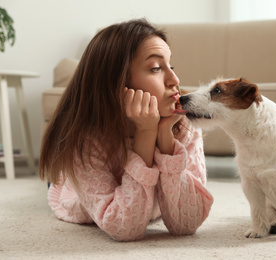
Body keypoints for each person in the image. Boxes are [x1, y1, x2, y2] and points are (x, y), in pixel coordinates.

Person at [39, 19, 214, 242]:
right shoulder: (87, 139)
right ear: (116, 83)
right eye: (156, 68)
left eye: (171, 66)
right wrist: (145, 133)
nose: (175, 80)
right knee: (61, 179)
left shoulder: (181, 122)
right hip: (73, 185)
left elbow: (186, 224)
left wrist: (164, 137)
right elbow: (125, 227)